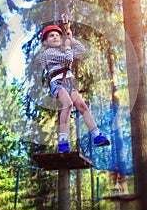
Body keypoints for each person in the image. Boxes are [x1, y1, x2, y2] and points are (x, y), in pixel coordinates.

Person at [40, 24, 110, 153]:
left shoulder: (64, 50)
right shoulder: (47, 53)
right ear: (45, 41)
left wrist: (70, 38)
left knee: (83, 107)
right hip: (58, 82)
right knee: (67, 105)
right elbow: (68, 58)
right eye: (51, 36)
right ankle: (62, 141)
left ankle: (96, 135)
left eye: (57, 35)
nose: (55, 37)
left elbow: (82, 50)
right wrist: (67, 46)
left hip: (70, 82)